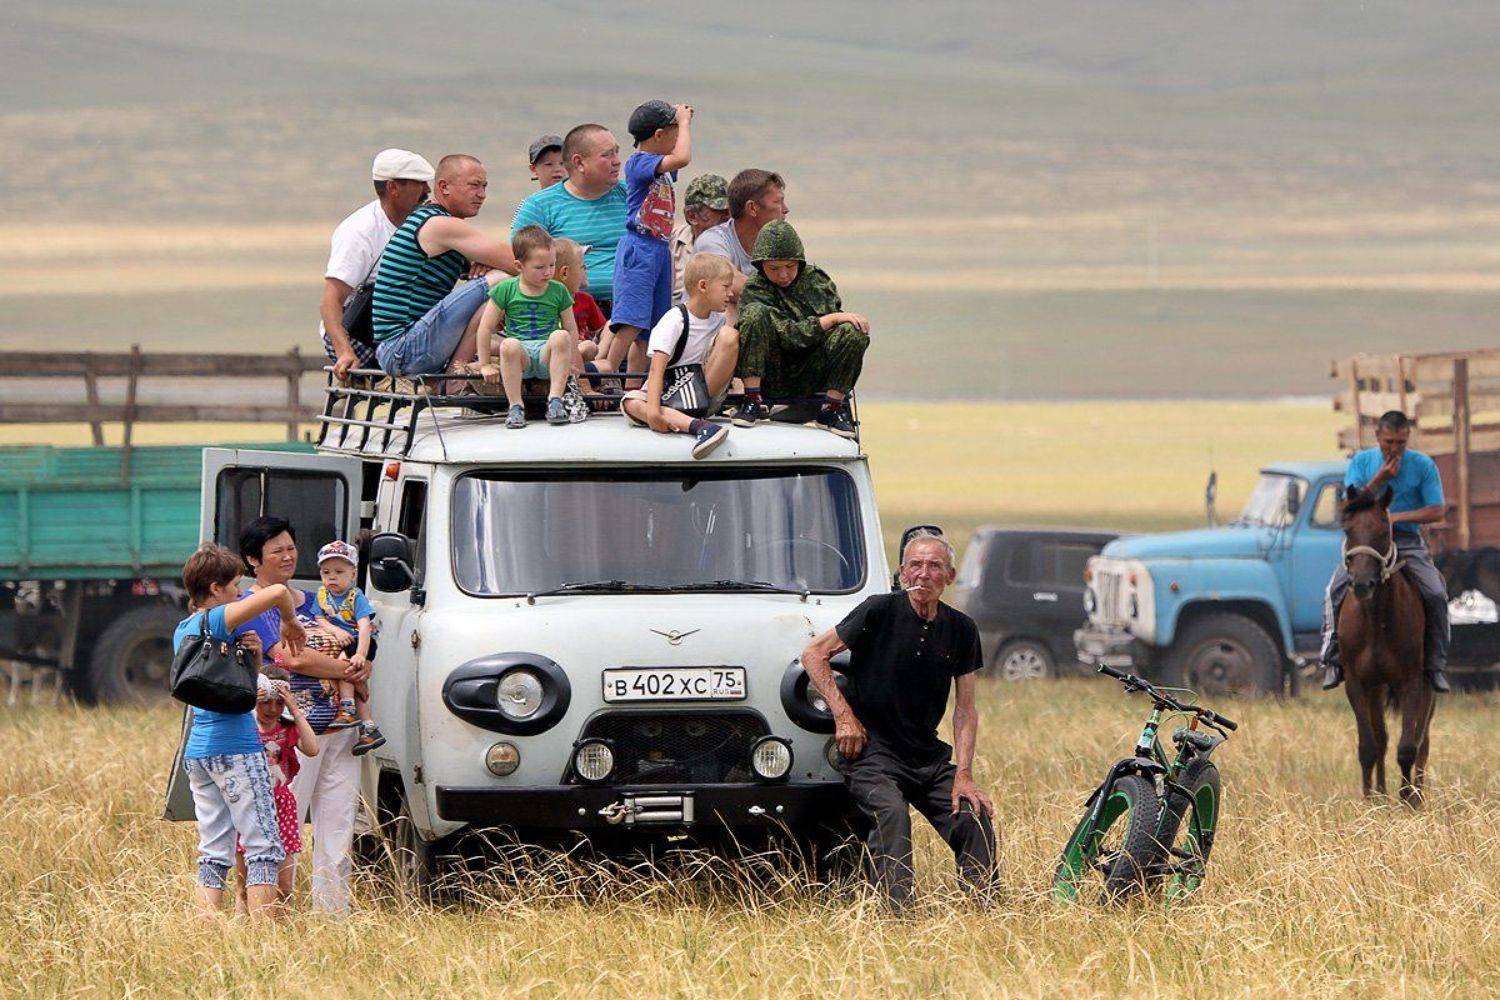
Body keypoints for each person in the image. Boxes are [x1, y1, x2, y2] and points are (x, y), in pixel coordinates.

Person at [800, 530, 996, 912]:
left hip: (926, 756)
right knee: (892, 814)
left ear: (950, 576)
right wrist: (844, 717)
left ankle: (985, 911)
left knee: (972, 814)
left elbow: (965, 709)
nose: (923, 574)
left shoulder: (961, 629)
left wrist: (964, 774)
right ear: (903, 573)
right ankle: (898, 916)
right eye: (915, 565)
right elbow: (813, 654)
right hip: (873, 755)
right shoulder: (878, 610)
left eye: (934, 566)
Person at [237, 516, 371, 915]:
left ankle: (334, 914)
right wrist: (348, 670)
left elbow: (355, 641)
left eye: (291, 548)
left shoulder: (320, 599)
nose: (288, 556)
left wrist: (362, 663)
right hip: (291, 732)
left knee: (339, 824)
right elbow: (287, 659)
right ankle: (279, 912)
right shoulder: (251, 607)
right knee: (285, 820)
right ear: (253, 560)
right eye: (276, 551)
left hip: (341, 726)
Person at [172, 543, 303, 916]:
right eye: (234, 586)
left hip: (199, 751)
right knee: (263, 845)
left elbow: (225, 684)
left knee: (214, 850)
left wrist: (255, 658)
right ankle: (266, 936)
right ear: (215, 589)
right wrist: (290, 622)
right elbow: (277, 593)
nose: (239, 593)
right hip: (237, 748)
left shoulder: (183, 630)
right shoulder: (217, 619)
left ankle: (206, 929)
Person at [1321, 410, 1452, 693]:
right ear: (1378, 436)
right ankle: (1333, 658)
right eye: (1388, 442)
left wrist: (1394, 519)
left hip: (1405, 541)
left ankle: (1435, 663)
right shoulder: (1362, 462)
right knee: (1334, 590)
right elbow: (1348, 506)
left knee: (1436, 593)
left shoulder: (1423, 465)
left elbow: (1437, 510)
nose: (1394, 448)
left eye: (1400, 443)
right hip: (1366, 541)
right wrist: (1379, 479)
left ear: (1408, 438)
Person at [372, 154, 520, 377]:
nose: (482, 194)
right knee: (501, 281)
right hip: (403, 349)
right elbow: (520, 263)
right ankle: (455, 376)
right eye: (474, 185)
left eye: (484, 186)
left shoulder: (432, 220)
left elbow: (504, 261)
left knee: (499, 292)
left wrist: (488, 263)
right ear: (444, 187)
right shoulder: (439, 224)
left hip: (402, 349)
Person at [733, 220, 870, 437]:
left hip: (812, 369)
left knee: (853, 332)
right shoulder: (755, 289)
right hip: (773, 372)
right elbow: (789, 337)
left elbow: (831, 338)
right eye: (774, 268)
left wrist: (837, 322)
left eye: (790, 266)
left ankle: (832, 409)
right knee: (754, 314)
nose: (783, 275)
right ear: (761, 265)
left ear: (800, 262)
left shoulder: (817, 282)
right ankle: (752, 400)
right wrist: (830, 319)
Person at [321, 149, 435, 380]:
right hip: (357, 333)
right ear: (393, 188)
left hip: (404, 327)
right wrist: (345, 351)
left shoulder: (430, 220)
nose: (427, 190)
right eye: (419, 183)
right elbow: (330, 302)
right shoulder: (359, 232)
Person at [601, 100, 694, 381]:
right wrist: (684, 122)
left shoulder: (661, 167)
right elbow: (683, 157)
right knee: (632, 320)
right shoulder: (639, 163)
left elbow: (678, 154)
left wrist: (680, 121)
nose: (679, 137)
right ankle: (604, 372)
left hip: (659, 249)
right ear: (659, 135)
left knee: (650, 331)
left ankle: (632, 384)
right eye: (674, 132)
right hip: (639, 247)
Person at [621, 252, 741, 459]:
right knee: (630, 402)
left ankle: (688, 417)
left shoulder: (719, 322)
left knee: (730, 335)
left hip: (701, 394)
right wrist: (653, 412)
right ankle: (700, 427)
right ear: (703, 286)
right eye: (725, 287)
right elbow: (656, 370)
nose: (730, 294)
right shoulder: (674, 320)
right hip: (668, 394)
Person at [510, 124, 627, 315]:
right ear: (579, 163)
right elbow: (520, 260)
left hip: (631, 307)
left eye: (616, 152)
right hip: (571, 311)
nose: (617, 161)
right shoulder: (539, 206)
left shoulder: (632, 195)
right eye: (607, 155)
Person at [476, 225, 584, 429]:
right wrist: (485, 364)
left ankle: (555, 401)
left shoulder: (559, 290)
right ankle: (515, 407)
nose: (548, 272)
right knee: (509, 344)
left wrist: (571, 360)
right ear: (519, 266)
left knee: (561, 335)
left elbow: (571, 328)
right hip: (520, 357)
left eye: (552, 265)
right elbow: (485, 327)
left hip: (546, 354)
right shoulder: (506, 289)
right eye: (539, 267)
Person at [233, 675, 319, 912]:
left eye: (279, 703)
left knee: (284, 885)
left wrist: (295, 711)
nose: (272, 709)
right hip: (249, 804)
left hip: (281, 804)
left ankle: (280, 925)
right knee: (244, 884)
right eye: (265, 703)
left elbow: (313, 749)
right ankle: (244, 926)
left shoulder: (287, 729)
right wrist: (248, 705)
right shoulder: (246, 727)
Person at [313, 540, 386, 755]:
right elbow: (319, 618)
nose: (332, 577)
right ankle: (369, 727)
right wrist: (335, 630)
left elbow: (364, 627)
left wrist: (361, 654)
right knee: (355, 682)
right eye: (326, 572)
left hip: (360, 641)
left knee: (344, 665)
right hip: (342, 640)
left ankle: (347, 708)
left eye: (339, 572)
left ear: (353, 575)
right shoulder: (322, 595)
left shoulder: (356, 597)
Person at [693, 168, 789, 290]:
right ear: (752, 208)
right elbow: (729, 281)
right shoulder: (712, 241)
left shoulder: (776, 245)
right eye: (778, 202)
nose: (785, 209)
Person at [671, 173, 730, 304]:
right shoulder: (671, 243)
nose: (728, 219)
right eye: (721, 213)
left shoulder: (734, 244)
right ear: (692, 216)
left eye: (730, 212)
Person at [554, 238, 607, 363]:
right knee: (590, 349)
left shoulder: (586, 299)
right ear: (565, 273)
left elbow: (600, 329)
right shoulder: (551, 301)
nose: (587, 270)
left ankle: (597, 363)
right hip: (562, 354)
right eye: (583, 267)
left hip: (583, 349)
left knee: (610, 326)